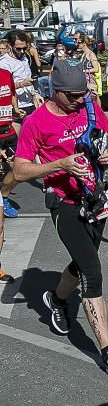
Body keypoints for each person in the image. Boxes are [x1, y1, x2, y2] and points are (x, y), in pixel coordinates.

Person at [12, 61, 108, 378]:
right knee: (92, 271)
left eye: (83, 93)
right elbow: (20, 170)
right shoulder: (37, 122)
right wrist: (60, 164)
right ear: (56, 91)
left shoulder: (90, 108)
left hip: (97, 195)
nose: (81, 99)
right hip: (64, 203)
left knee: (82, 263)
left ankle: (55, 298)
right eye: (74, 95)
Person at [0, 66, 21, 271]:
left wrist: (15, 110)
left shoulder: (6, 73)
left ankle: (3, 196)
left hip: (7, 131)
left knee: (18, 171)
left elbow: (12, 94)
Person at [0, 31, 40, 119]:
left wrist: (35, 94)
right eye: (18, 49)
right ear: (10, 45)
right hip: (17, 106)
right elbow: (4, 89)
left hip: (30, 102)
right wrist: (21, 84)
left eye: (24, 48)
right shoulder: (4, 64)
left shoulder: (25, 58)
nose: (22, 51)